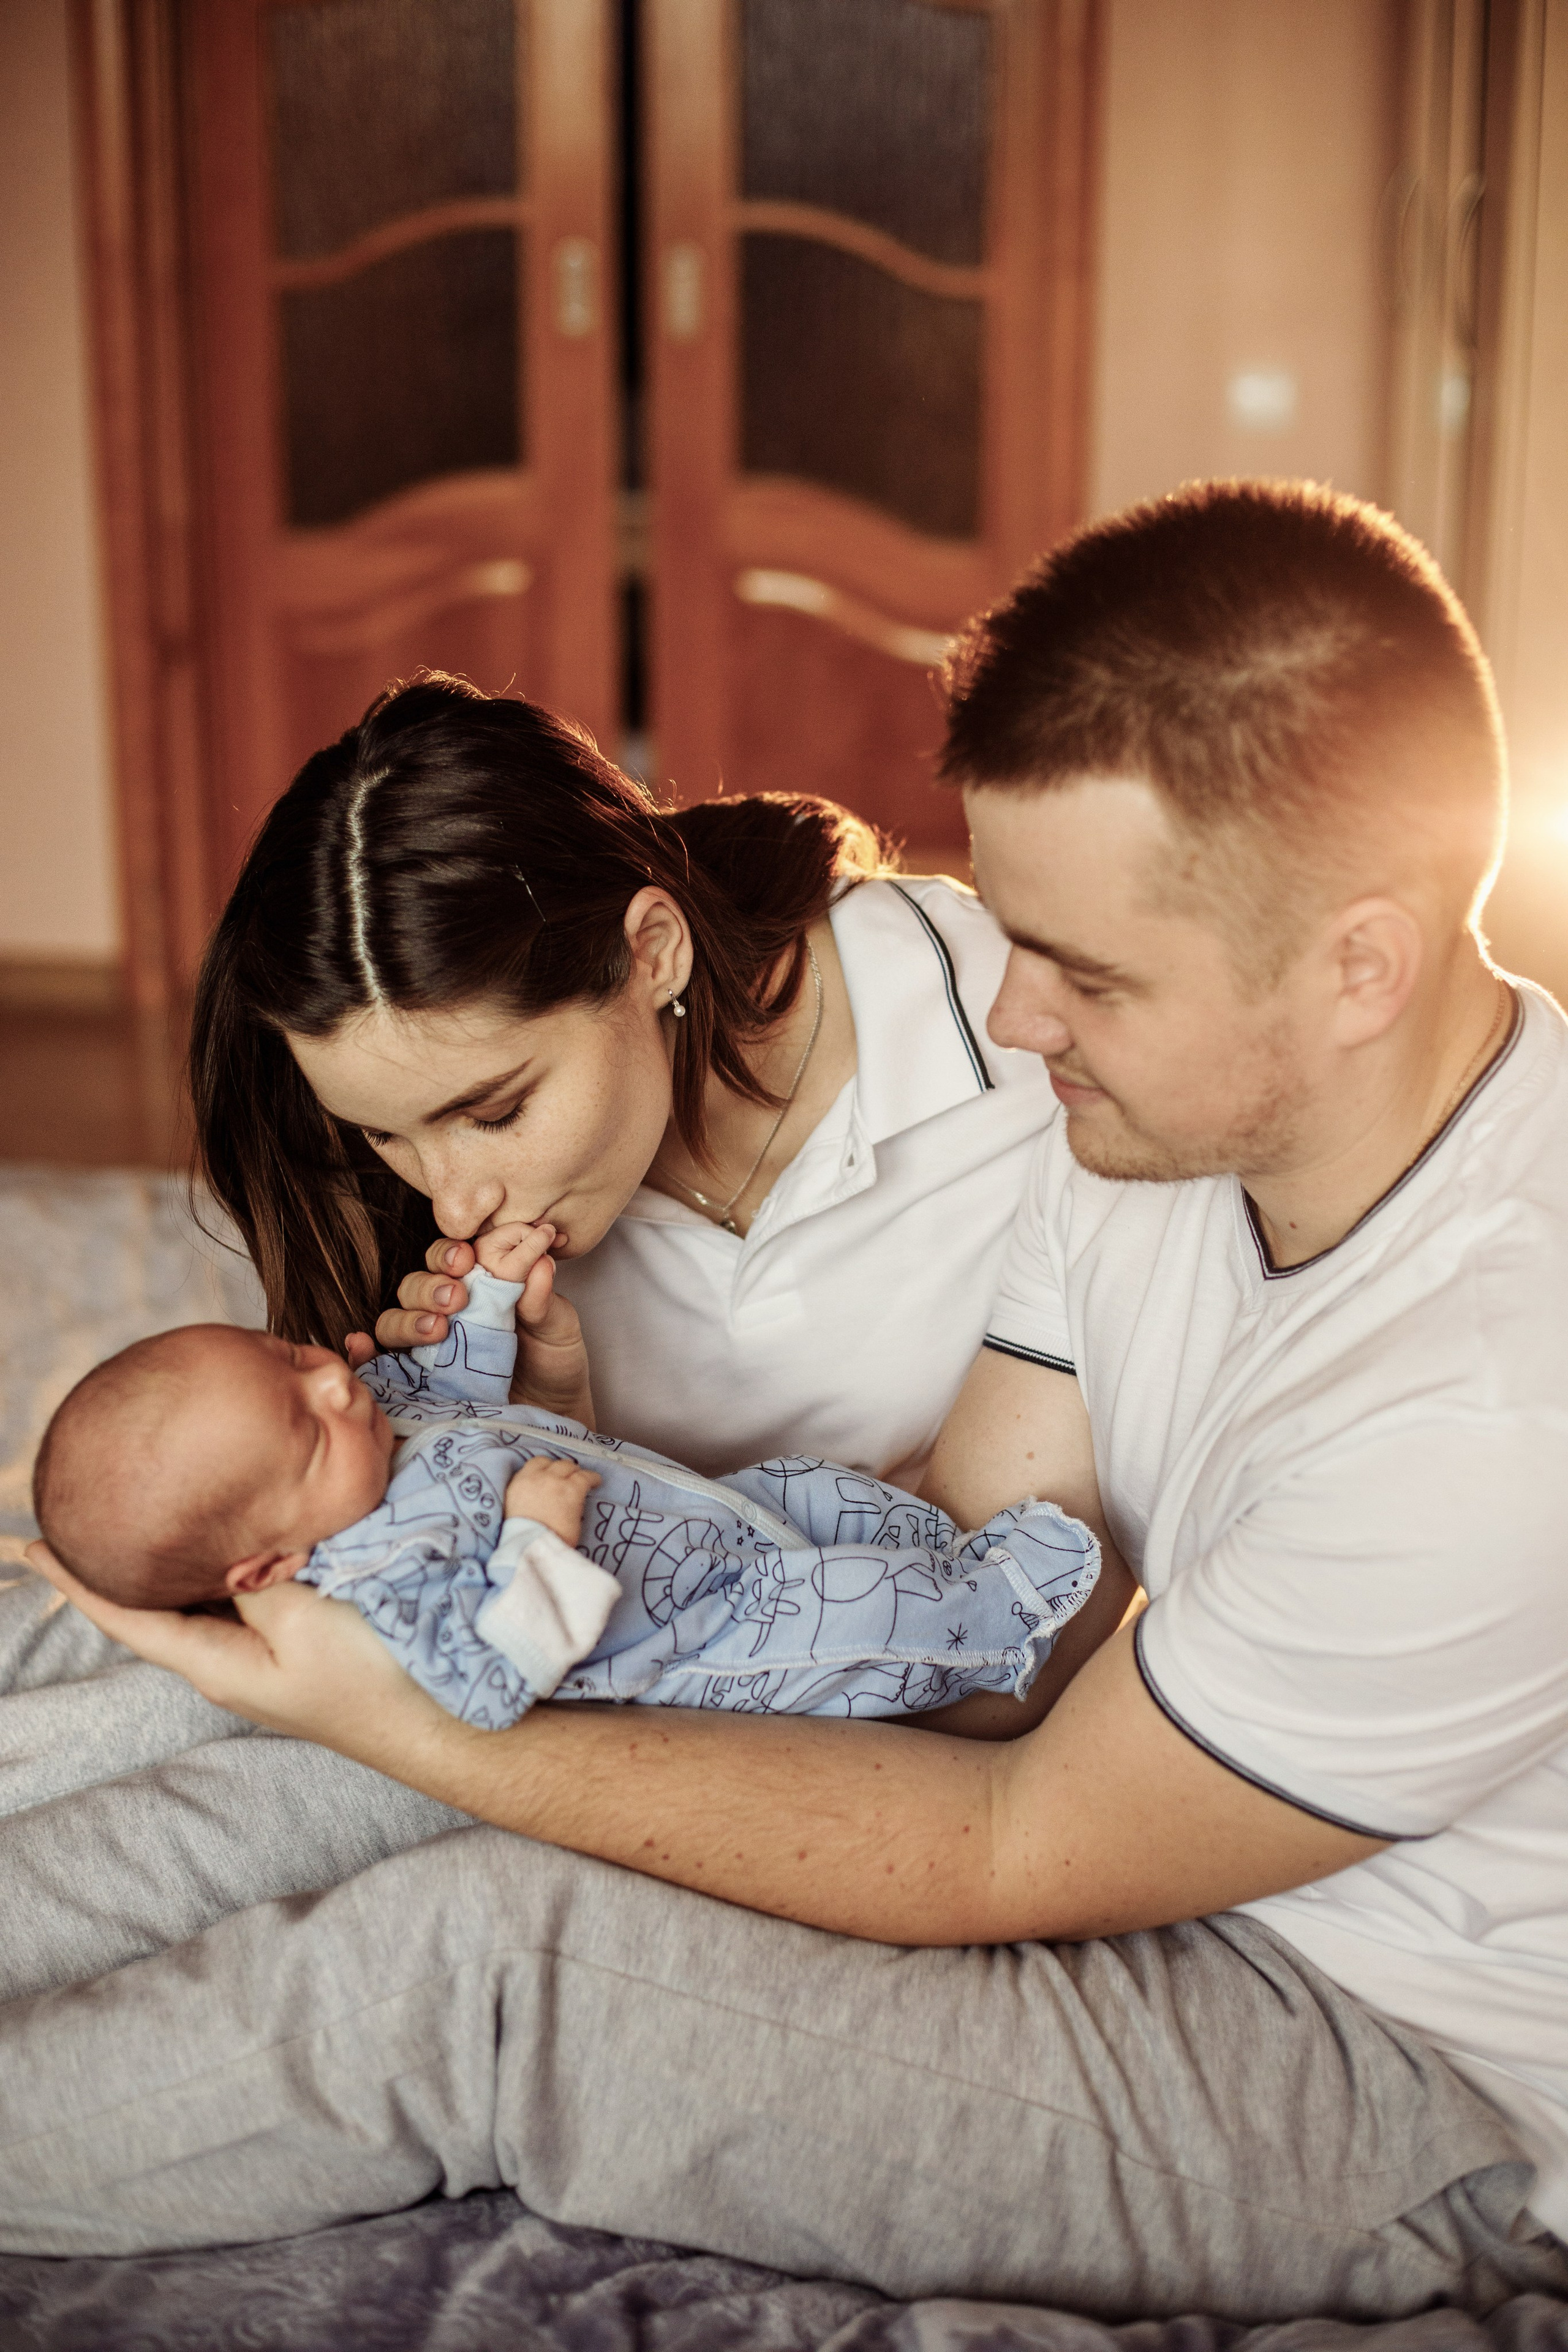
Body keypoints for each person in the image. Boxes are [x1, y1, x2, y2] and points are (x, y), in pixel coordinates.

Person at [9, 481, 1568, 2328]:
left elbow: (1014, 1835)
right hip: (1149, 1847)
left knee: (480, 1965)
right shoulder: (1136, 1135)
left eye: (1083, 972)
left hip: (1410, 2076)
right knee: (281, 1658)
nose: (1017, 1019)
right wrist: (531, 1510)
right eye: (1018, 937)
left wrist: (429, 1727)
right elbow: (978, 1610)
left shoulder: (1496, 1402)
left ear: (1359, 964)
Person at [0, 674, 1056, 1979]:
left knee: (241, 1779)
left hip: (739, 1685)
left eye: (495, 1112)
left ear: (653, 952)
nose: (450, 1197)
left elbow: (988, 1639)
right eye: (386, 1134)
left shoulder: (1014, 1045)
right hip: (526, 1603)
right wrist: (545, 1422)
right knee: (116, 1593)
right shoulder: (444, 1220)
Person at [31, 1224, 1096, 1727]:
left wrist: (487, 1301)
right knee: (855, 1614)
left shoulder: (377, 1420)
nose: (334, 1388)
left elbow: (450, 1385)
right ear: (269, 1566)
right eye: (306, 1430)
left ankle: (944, 1549)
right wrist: (534, 1542)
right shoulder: (379, 1579)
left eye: (289, 1359)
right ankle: (999, 1614)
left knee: (823, 1492)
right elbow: (485, 1678)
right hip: (710, 1634)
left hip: (719, 1515)